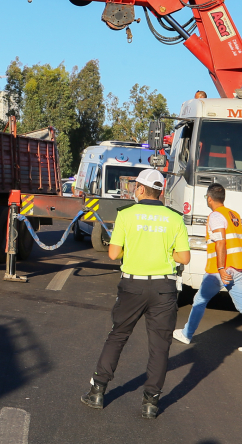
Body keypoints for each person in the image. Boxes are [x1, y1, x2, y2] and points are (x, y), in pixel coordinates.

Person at [81, 168, 190, 419]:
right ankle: (151, 403)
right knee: (160, 346)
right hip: (164, 288)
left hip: (132, 286)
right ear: (160, 192)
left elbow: (113, 253)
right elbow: (184, 257)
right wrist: (164, 254)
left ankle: (98, 391)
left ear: (140, 189)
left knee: (118, 336)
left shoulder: (127, 215)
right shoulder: (174, 218)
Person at [173, 184, 242, 352]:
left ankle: (187, 334)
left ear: (209, 199)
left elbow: (221, 242)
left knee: (199, 301)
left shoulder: (215, 216)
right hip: (240, 268)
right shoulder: (233, 215)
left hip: (222, 271)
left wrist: (221, 268)